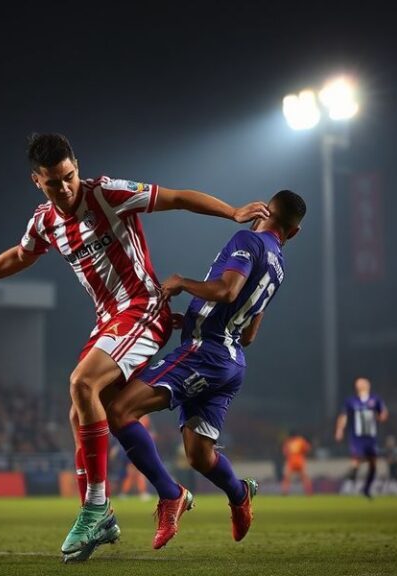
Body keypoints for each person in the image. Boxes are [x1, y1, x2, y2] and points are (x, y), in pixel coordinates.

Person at [0, 133, 268, 562]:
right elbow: (19, 255)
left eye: (69, 176)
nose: (66, 187)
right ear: (38, 181)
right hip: (108, 322)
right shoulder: (45, 222)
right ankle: (167, 493)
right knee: (86, 408)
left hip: (144, 307)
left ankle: (95, 508)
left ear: (76, 166)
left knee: (81, 383)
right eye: (54, 183)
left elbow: (178, 197)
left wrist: (233, 212)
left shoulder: (107, 193)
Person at [107, 190, 306, 548]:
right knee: (199, 455)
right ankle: (239, 492)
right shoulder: (280, 266)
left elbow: (228, 291)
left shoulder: (248, 239)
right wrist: (195, 319)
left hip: (205, 353)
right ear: (293, 233)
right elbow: (249, 333)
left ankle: (171, 495)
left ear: (262, 208)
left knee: (120, 411)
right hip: (231, 361)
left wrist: (183, 283)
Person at [334, 377, 388, 498]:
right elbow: (343, 416)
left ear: (368, 385)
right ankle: (353, 472)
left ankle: (366, 488)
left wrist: (382, 416)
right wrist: (339, 430)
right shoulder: (351, 401)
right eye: (359, 383)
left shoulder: (375, 399)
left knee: (373, 464)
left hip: (371, 436)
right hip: (356, 436)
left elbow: (383, 413)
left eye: (364, 382)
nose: (362, 385)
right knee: (356, 456)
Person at [281, 431, 313, 496]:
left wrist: (288, 455)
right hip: (299, 460)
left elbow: (284, 451)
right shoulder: (300, 440)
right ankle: (309, 492)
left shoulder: (289, 441)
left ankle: (285, 492)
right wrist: (303, 453)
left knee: (287, 478)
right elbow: (307, 448)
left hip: (292, 461)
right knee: (304, 477)